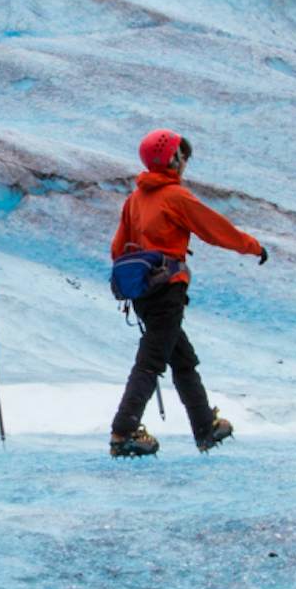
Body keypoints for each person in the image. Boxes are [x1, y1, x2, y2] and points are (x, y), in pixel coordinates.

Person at [106, 129, 267, 457]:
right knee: (151, 362)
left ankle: (204, 426)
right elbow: (214, 228)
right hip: (168, 291)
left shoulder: (134, 200)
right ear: (173, 159)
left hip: (143, 295)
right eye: (183, 157)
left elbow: (117, 249)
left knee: (181, 359)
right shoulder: (174, 197)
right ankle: (123, 432)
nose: (185, 164)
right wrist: (252, 246)